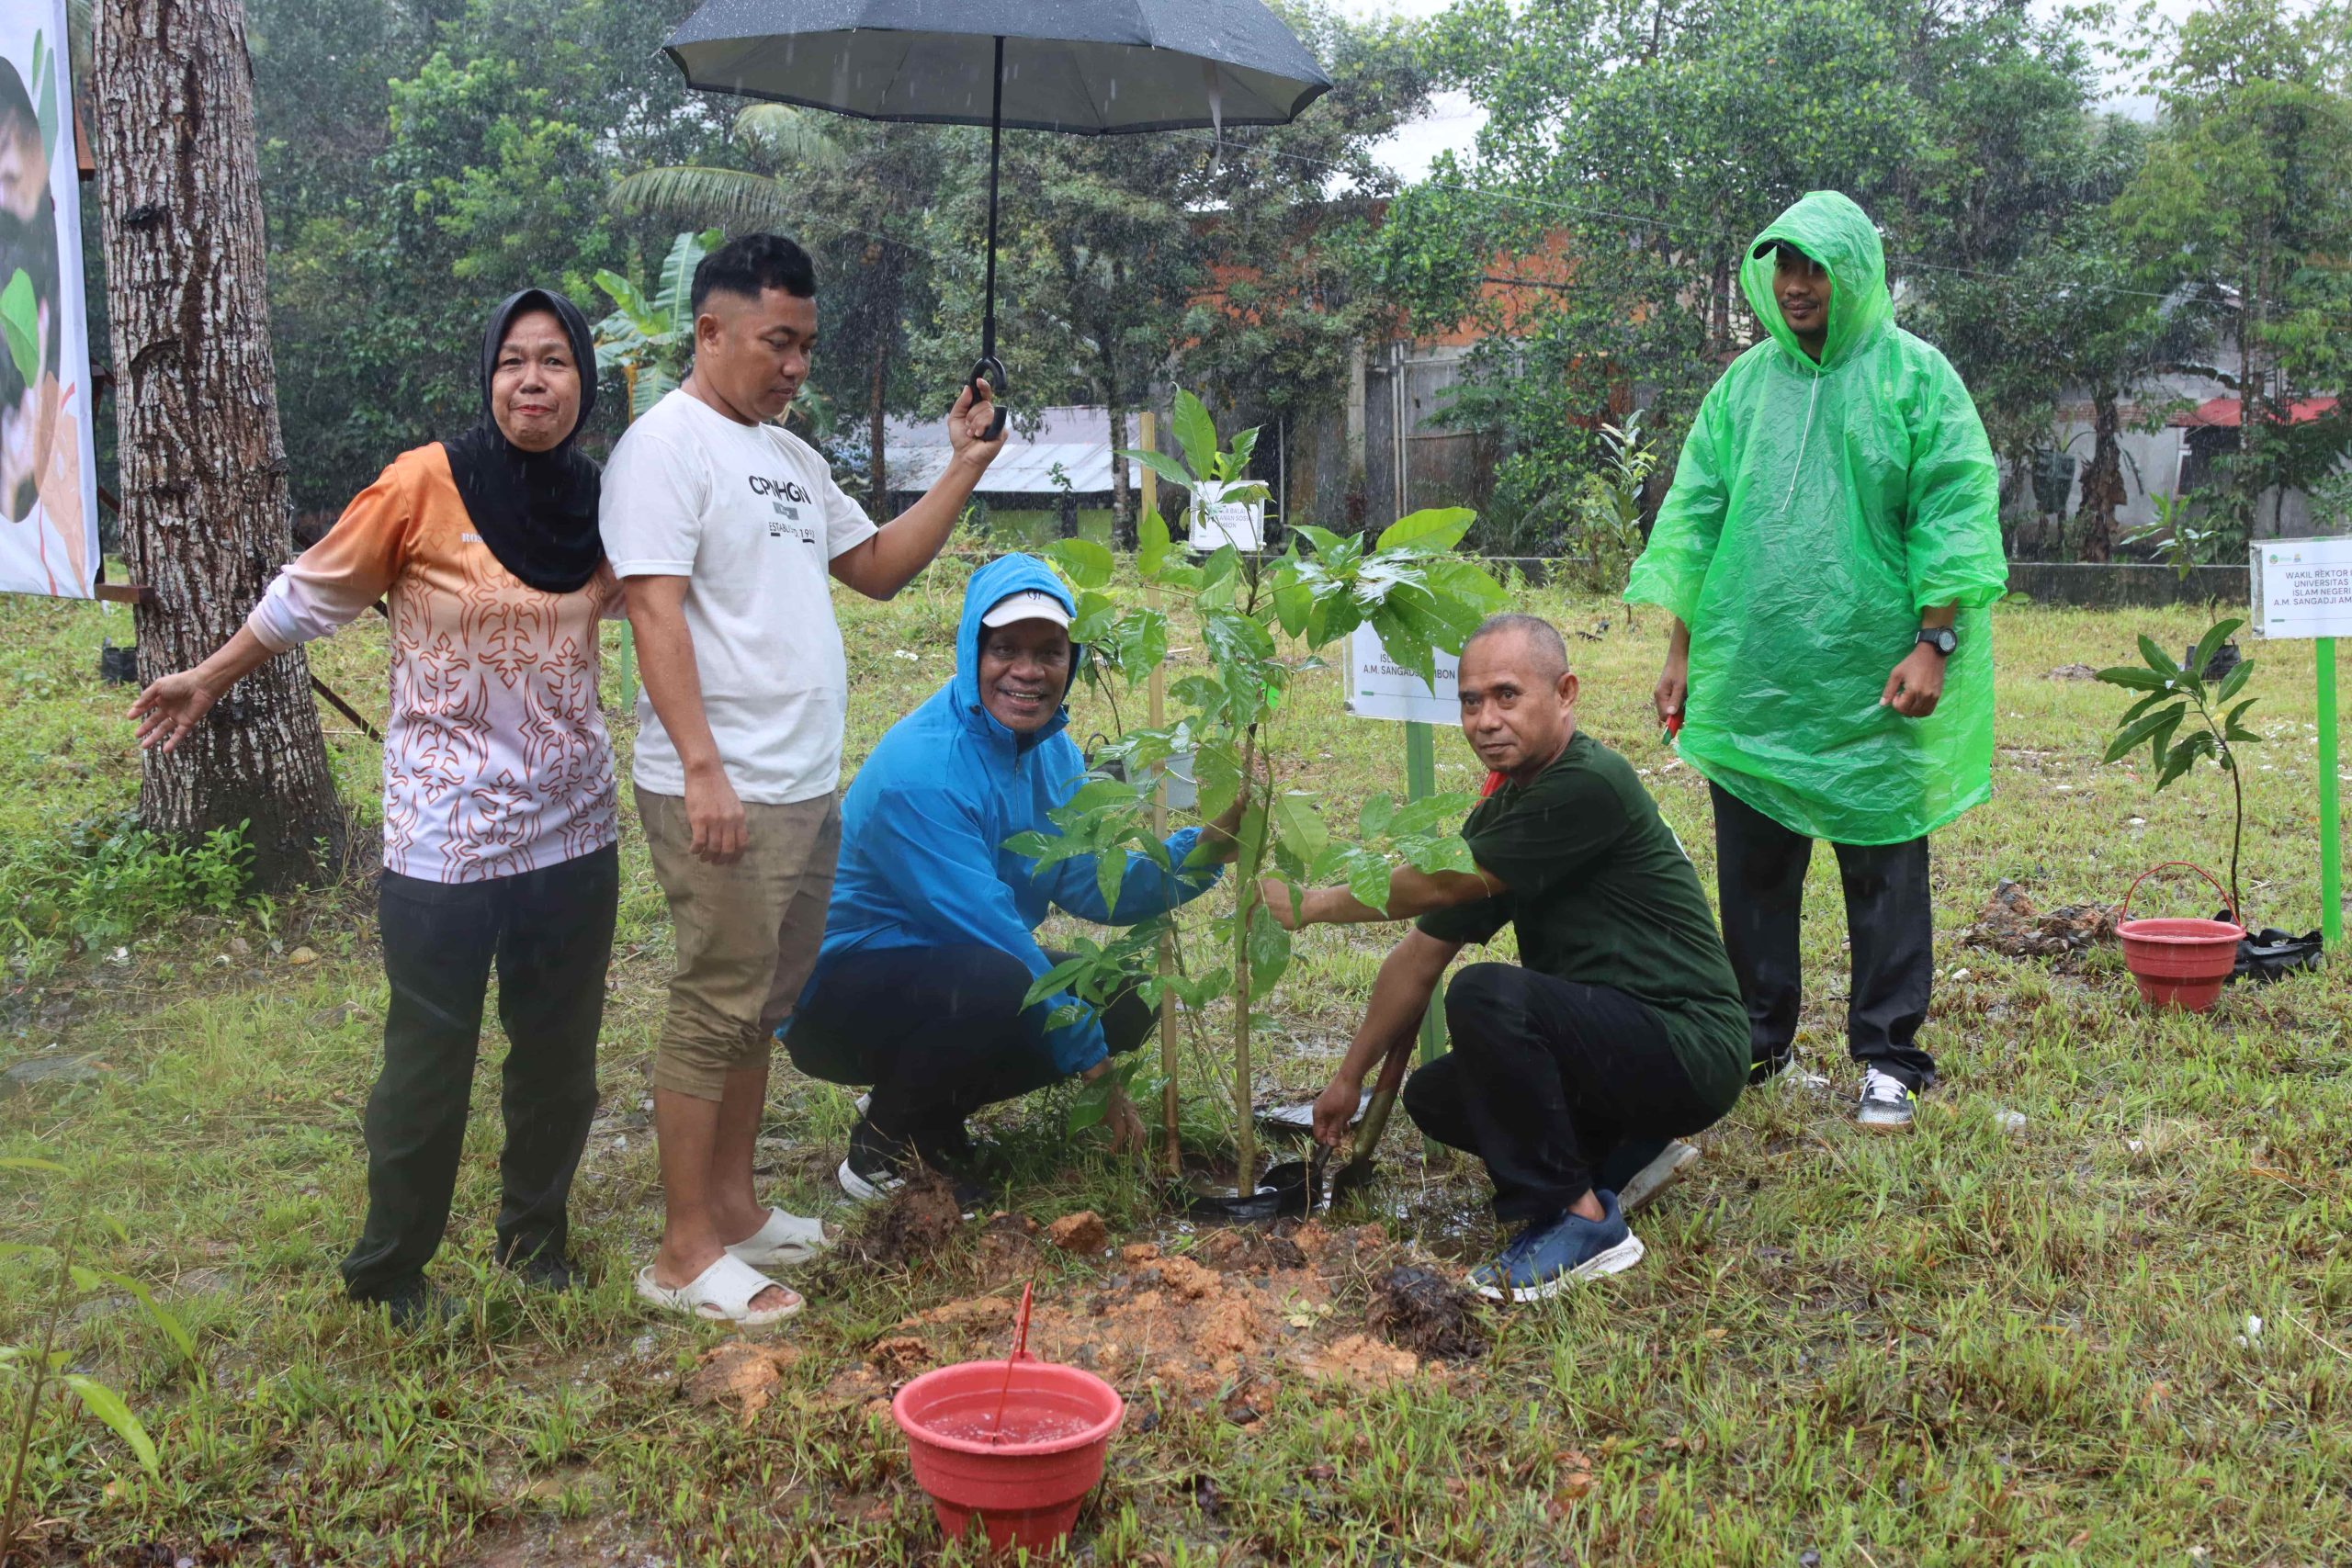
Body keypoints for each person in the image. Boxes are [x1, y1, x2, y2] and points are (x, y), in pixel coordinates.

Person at [130, 289, 622, 1325]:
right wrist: (210, 677)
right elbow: (311, 595)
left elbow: (658, 606)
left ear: (584, 379)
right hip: (445, 831)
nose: (532, 380)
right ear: (488, 377)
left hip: (573, 824)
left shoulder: (604, 499)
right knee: (427, 1060)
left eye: (555, 362)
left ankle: (536, 1242)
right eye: (513, 362)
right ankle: (390, 1271)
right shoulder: (423, 482)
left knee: (559, 1054)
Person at [603, 233, 1006, 1327]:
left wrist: (963, 464)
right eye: (776, 343)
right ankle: (684, 1253)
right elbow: (651, 610)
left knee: (760, 1010)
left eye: (806, 346)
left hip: (799, 784)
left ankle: (734, 1211)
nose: (794, 367)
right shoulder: (663, 449)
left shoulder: (787, 456)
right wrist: (701, 771)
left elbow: (874, 570)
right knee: (712, 1004)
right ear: (711, 331)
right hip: (720, 784)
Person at [1625, 190, 2007, 1133]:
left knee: (1882, 867)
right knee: (1753, 872)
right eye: (1781, 266)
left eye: (1814, 267)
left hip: (1876, 678)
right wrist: (1682, 649)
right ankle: (1756, 1038)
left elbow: (1952, 511)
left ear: (1855, 272)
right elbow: (1696, 517)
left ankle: (1887, 1056)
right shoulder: (1743, 387)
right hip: (1754, 674)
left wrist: (1934, 641)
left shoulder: (1915, 377)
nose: (1795, 287)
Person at [1281, 615, 1748, 1303]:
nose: (1485, 719)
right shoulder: (1507, 809)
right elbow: (1419, 956)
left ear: (1565, 692)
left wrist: (1312, 903)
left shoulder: (1587, 783)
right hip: (1614, 1038)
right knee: (1437, 1095)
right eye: (1471, 701)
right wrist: (1348, 1080)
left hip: (1690, 1043)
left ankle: (1583, 1221)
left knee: (1485, 995)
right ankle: (1627, 1153)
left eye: (1507, 695)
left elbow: (1436, 886)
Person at [785, 554, 1242, 1201]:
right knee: (1005, 983)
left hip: (948, 970)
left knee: (1122, 993)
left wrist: (1206, 850)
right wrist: (1099, 1076)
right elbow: (1000, 938)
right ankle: (880, 1151)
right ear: (972, 649)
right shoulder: (922, 773)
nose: (1027, 671)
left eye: (1049, 650)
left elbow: (1087, 881)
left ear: (1071, 659)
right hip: (835, 994)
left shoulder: (1050, 747)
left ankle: (929, 1115)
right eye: (1005, 648)